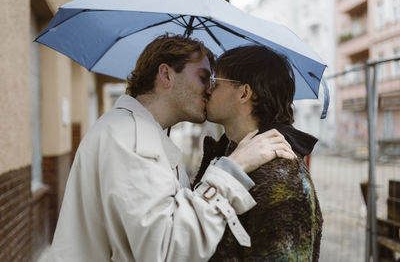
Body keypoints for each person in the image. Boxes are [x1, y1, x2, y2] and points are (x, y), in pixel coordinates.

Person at [48, 35, 296, 262]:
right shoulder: (130, 134)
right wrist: (232, 170)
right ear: (166, 75)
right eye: (202, 77)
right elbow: (165, 250)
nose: (209, 88)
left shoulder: (138, 132)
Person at [194, 45, 323, 261]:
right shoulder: (228, 155)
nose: (207, 89)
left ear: (244, 93)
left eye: (215, 83)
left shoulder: (282, 174)